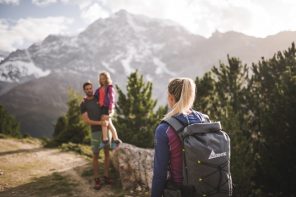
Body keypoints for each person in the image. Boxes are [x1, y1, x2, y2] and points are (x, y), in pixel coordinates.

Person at [151, 77, 206, 197]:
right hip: (207, 187)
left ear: (171, 98)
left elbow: (160, 174)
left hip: (181, 190)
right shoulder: (204, 120)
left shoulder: (164, 130)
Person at [80, 81, 112, 190]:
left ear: (92, 88)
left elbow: (108, 105)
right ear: (84, 90)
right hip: (95, 132)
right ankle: (96, 179)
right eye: (87, 89)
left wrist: (107, 120)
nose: (89, 90)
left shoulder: (99, 98)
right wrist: (100, 123)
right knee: (95, 156)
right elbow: (87, 120)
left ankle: (106, 176)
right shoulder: (83, 104)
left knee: (107, 153)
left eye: (90, 88)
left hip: (105, 130)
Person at [94, 71, 121, 149]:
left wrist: (110, 108)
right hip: (101, 108)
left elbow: (112, 99)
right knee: (109, 124)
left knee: (104, 123)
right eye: (101, 79)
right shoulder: (99, 89)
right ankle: (115, 140)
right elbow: (95, 98)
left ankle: (105, 140)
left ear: (107, 79)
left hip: (107, 107)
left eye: (104, 78)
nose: (102, 80)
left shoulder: (109, 88)